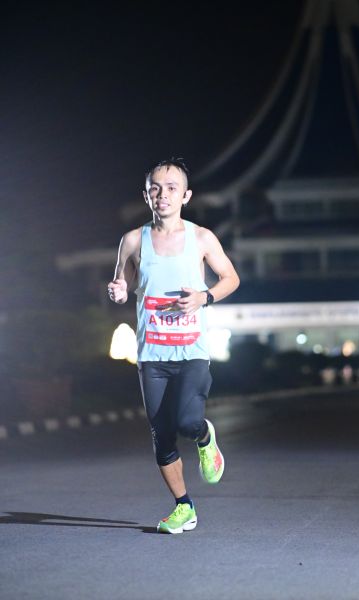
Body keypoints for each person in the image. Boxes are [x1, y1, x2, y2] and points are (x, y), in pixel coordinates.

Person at [107, 157, 240, 534]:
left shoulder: (202, 238)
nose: (162, 194)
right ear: (146, 195)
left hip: (191, 350)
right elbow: (122, 283)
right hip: (151, 354)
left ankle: (204, 435)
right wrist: (118, 290)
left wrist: (204, 297)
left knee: (186, 421)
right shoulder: (133, 240)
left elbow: (230, 278)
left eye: (171, 188)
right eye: (155, 188)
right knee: (161, 435)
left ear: (186, 196)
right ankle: (184, 507)